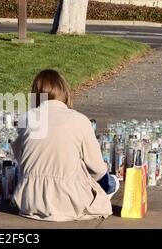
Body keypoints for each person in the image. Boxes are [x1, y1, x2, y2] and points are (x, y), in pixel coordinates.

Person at [11, 69, 119, 222]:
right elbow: (97, 169)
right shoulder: (79, 120)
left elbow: (20, 161)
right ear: (65, 91)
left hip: (30, 200)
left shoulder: (26, 119)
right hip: (69, 200)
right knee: (112, 182)